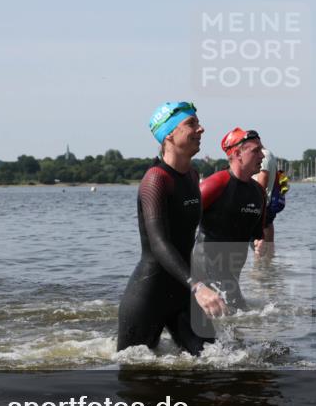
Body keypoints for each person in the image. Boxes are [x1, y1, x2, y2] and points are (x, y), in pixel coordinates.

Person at [116, 101, 226, 356]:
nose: (201, 129)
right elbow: (159, 243)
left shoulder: (191, 176)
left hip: (182, 291)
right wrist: (197, 286)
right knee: (137, 376)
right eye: (191, 124)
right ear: (168, 135)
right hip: (148, 296)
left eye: (198, 123)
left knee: (218, 362)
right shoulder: (156, 179)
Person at [196, 128, 267, 311]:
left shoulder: (258, 193)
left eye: (262, 150)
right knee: (241, 317)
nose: (262, 156)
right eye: (256, 151)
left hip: (232, 272)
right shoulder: (215, 185)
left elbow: (256, 235)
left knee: (233, 321)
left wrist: (258, 243)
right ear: (237, 154)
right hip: (205, 267)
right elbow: (178, 223)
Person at [252, 147, 290, 257]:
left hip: (263, 203)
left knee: (261, 251)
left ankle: (262, 268)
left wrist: (255, 203)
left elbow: (263, 180)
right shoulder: (268, 155)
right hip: (267, 203)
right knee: (266, 248)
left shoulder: (263, 156)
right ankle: (268, 267)